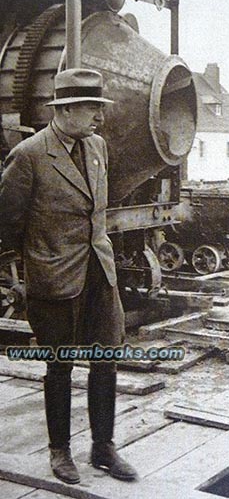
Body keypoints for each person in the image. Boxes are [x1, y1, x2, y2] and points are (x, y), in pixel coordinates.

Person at [0, 68, 137, 484]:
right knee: (59, 365)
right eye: (93, 108)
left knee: (106, 360)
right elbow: (6, 220)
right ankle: (60, 451)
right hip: (55, 275)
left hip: (100, 271)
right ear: (67, 109)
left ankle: (103, 446)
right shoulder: (29, 154)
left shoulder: (97, 146)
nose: (99, 116)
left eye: (99, 107)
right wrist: (14, 275)